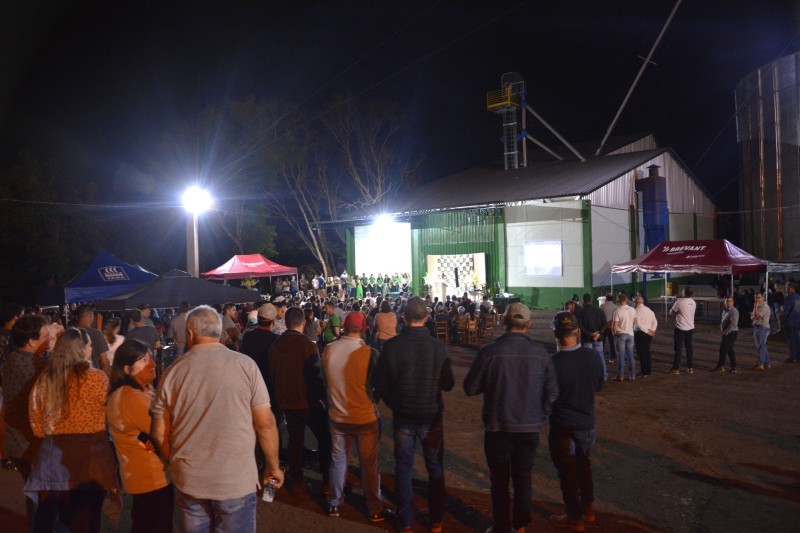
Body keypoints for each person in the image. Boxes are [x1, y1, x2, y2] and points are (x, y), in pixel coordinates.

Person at [150, 306, 283, 532]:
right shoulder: (245, 365)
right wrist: (273, 466)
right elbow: (265, 423)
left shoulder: (172, 372)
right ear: (219, 331)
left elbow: (158, 432)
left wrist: (174, 462)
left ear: (190, 334)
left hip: (189, 479)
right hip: (235, 480)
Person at [464, 303, 558, 533]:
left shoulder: (489, 352)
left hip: (498, 428)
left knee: (499, 480)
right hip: (528, 428)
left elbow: (471, 387)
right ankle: (521, 525)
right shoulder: (541, 354)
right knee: (523, 478)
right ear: (528, 324)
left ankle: (502, 526)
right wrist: (540, 415)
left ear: (504, 321)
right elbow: (553, 392)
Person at [373, 297, 454, 533]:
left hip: (404, 415)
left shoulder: (392, 346)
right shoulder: (438, 347)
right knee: (435, 468)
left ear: (404, 317)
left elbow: (380, 385)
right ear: (427, 318)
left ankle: (406, 520)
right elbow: (448, 383)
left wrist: (394, 402)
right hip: (431, 416)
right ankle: (436, 520)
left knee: (404, 468)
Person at [25, 328, 117, 532]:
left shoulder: (45, 380)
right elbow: (109, 416)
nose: (92, 348)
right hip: (88, 460)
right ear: (82, 349)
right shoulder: (97, 379)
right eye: (90, 345)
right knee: (84, 520)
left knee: (50, 519)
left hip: (52, 458)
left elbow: (36, 425)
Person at [320, 311, 388, 522]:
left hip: (338, 416)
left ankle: (334, 503)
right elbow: (381, 385)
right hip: (365, 417)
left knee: (338, 460)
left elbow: (325, 381)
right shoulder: (370, 353)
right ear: (364, 329)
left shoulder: (329, 350)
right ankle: (374, 507)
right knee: (369, 464)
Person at [106, 339, 173, 533]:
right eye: (144, 360)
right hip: (150, 479)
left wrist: (150, 436)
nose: (151, 363)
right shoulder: (131, 397)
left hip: (143, 478)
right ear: (127, 369)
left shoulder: (139, 391)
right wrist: (155, 436)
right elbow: (168, 428)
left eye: (150, 357)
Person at [547, 312, 604, 532]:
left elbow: (547, 396)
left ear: (555, 334)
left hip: (562, 425)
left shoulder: (552, 363)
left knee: (567, 471)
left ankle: (574, 515)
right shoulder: (592, 357)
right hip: (586, 422)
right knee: (584, 465)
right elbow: (599, 386)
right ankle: (588, 509)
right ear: (578, 332)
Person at [267, 306, 331, 496]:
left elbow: (272, 375)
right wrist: (324, 400)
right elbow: (317, 376)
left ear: (285, 323)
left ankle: (297, 481)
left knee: (295, 441)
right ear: (303, 323)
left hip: (287, 401)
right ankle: (327, 480)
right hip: (307, 401)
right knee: (325, 437)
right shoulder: (308, 345)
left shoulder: (275, 346)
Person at [2, 314, 50, 526]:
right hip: (31, 442)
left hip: (14, 441)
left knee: (32, 492)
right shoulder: (38, 367)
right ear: (31, 340)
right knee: (42, 495)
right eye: (46, 336)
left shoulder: (10, 359)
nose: (49, 339)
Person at [578, 294, 607, 381]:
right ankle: (604, 377)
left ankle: (590, 378)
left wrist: (590, 334)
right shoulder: (599, 311)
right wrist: (598, 333)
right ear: (591, 300)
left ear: (583, 301)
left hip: (587, 340)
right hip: (599, 338)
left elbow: (581, 327)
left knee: (588, 359)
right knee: (600, 358)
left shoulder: (581, 312)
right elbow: (604, 324)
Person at [669, 288, 696, 375]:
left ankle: (676, 368)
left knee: (678, 349)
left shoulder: (679, 302)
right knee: (689, 348)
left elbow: (671, 313)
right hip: (690, 328)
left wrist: (676, 308)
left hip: (680, 328)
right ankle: (690, 367)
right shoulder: (693, 302)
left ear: (684, 292)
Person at [75, 304, 110, 374]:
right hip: (93, 377)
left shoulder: (68, 334)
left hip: (74, 378)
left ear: (77, 317)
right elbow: (105, 363)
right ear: (91, 317)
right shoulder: (97, 334)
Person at [612, 294, 637, 381]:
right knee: (630, 355)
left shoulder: (617, 311)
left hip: (621, 334)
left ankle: (621, 376)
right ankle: (632, 375)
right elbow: (634, 321)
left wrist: (615, 333)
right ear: (626, 300)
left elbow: (615, 325)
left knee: (621, 356)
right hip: (630, 334)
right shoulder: (633, 309)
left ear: (618, 301)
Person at [632, 296, 657, 378]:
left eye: (634, 302)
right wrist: (652, 330)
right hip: (648, 334)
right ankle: (648, 371)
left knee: (641, 353)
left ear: (637, 302)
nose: (633, 304)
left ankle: (644, 372)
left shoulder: (636, 311)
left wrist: (647, 331)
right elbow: (655, 322)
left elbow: (638, 325)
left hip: (640, 334)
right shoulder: (649, 310)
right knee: (647, 352)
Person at [715, 296, 739, 373]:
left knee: (723, 350)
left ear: (733, 302)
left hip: (731, 333)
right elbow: (723, 321)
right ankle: (733, 367)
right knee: (729, 350)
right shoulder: (725, 310)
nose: (728, 302)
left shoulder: (734, 311)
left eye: (730, 301)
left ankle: (720, 366)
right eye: (727, 301)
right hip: (727, 332)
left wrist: (725, 333)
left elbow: (733, 324)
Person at [751, 293, 771, 371]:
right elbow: (752, 317)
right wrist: (755, 313)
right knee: (762, 346)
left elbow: (758, 317)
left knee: (760, 346)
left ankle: (760, 364)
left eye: (759, 297)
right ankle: (767, 362)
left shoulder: (765, 307)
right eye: (756, 297)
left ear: (763, 298)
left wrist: (755, 308)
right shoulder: (757, 306)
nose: (757, 299)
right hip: (756, 326)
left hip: (762, 327)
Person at [783, 282, 800, 363]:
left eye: (786, 287)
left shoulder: (788, 298)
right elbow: (797, 310)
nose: (785, 288)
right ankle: (798, 356)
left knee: (791, 340)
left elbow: (786, 311)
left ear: (791, 288)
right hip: (797, 321)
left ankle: (793, 357)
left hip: (789, 322)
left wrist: (783, 320)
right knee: (797, 339)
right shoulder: (798, 297)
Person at [599, 293, 618, 364]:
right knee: (612, 343)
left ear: (606, 298)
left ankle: (601, 357)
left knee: (602, 342)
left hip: (603, 327)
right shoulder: (615, 306)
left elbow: (600, 316)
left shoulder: (602, 306)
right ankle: (612, 358)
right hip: (611, 327)